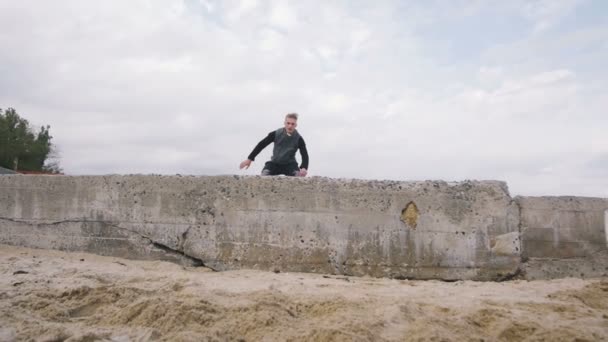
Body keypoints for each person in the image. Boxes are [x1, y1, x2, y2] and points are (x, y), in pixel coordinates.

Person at [240, 113, 309, 177]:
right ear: (284, 123)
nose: (290, 126)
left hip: (290, 164)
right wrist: (249, 159)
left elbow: (304, 154)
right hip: (275, 163)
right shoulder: (276, 134)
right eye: (288, 123)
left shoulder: (298, 138)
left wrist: (304, 167)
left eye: (292, 124)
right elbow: (261, 144)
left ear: (295, 125)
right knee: (264, 174)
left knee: (298, 176)